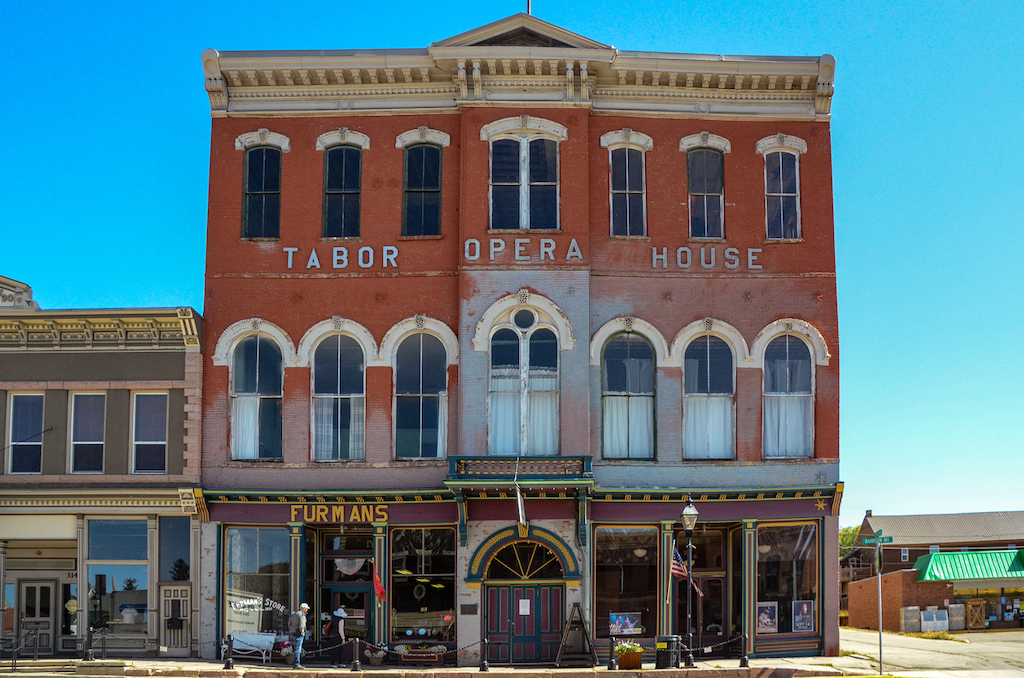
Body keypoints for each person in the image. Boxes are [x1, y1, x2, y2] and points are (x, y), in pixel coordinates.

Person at [288, 603, 310, 669]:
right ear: (304, 609)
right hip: (298, 634)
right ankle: (297, 664)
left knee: (294, 648)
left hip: (292, 632)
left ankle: (295, 663)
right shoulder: (302, 615)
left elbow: (289, 623)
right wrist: (302, 633)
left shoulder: (293, 614)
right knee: (297, 648)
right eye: (306, 609)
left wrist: (291, 629)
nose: (307, 610)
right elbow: (301, 626)